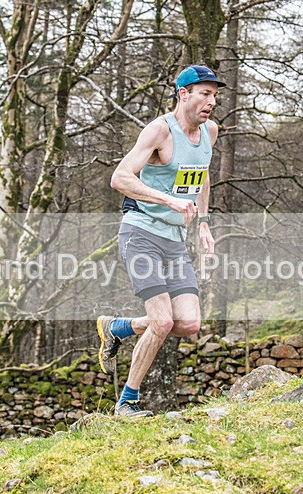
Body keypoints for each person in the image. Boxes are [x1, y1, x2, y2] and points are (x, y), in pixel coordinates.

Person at [96, 65, 224, 417]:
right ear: (183, 94)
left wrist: (203, 222)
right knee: (163, 322)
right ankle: (127, 402)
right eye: (204, 93)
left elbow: (203, 175)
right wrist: (168, 200)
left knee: (188, 323)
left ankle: (119, 327)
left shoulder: (210, 132)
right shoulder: (160, 131)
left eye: (214, 95)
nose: (211, 102)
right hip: (141, 233)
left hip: (174, 240)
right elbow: (119, 178)